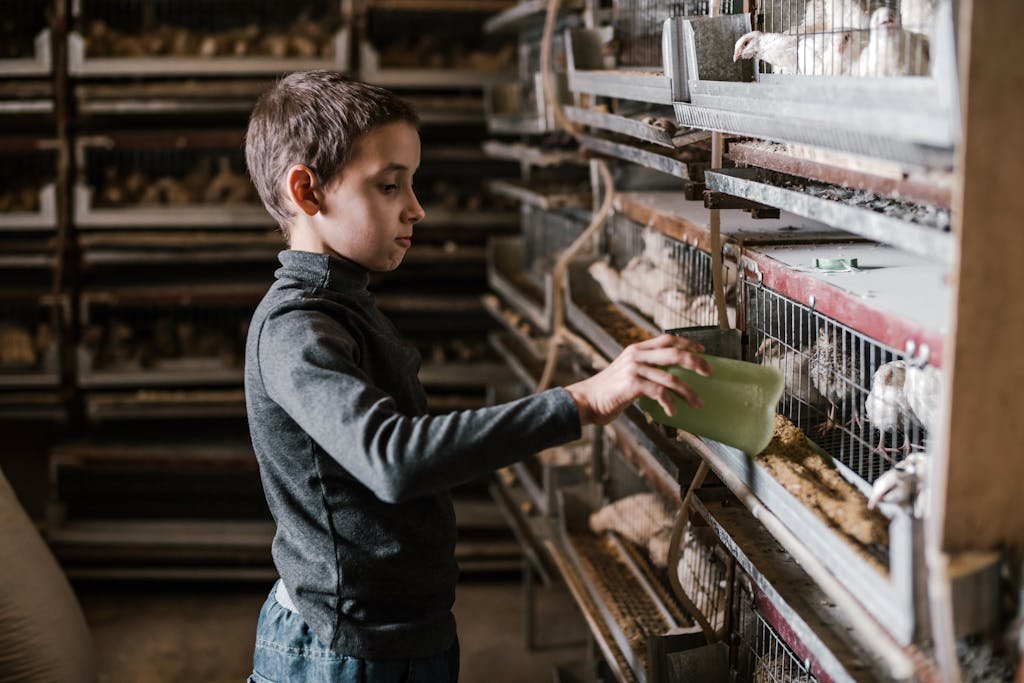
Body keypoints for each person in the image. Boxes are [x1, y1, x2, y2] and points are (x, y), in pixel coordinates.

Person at [243, 70, 709, 683]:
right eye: (389, 186)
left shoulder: (344, 305)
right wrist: (582, 400)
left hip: (400, 629)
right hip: (344, 648)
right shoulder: (296, 328)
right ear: (308, 192)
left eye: (411, 183)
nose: (417, 207)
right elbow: (393, 457)